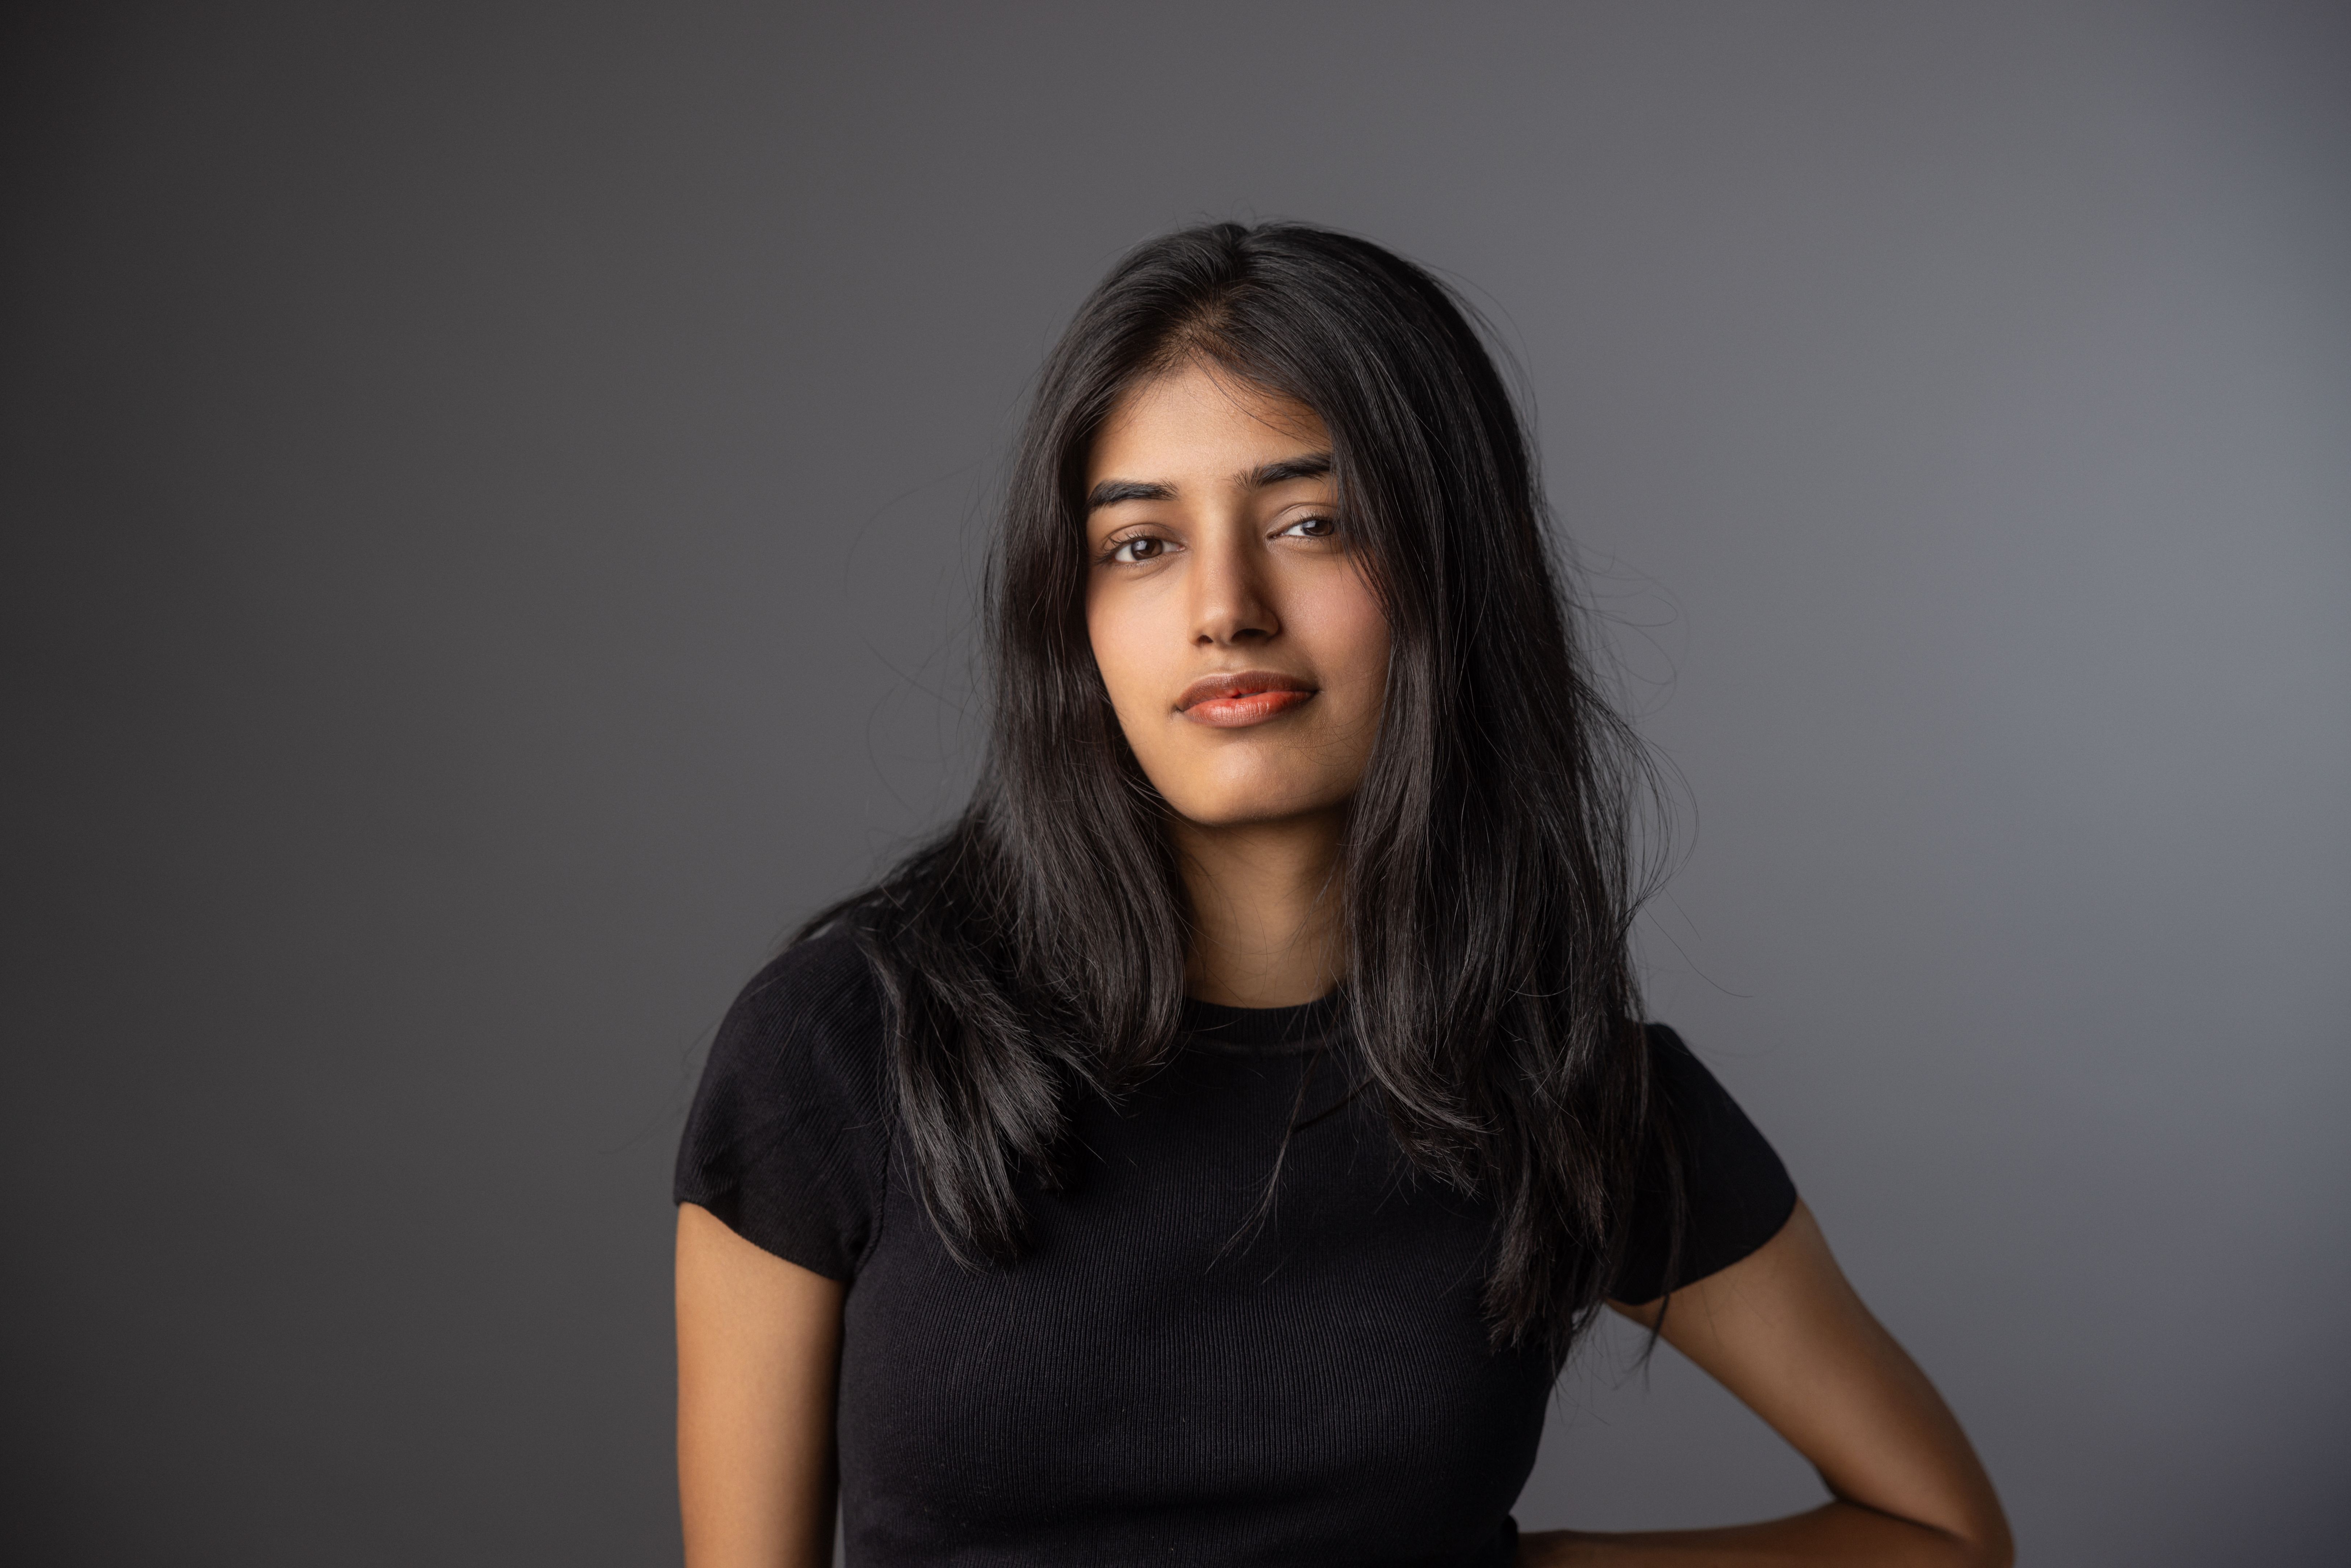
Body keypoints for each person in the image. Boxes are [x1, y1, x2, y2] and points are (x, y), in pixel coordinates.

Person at [672, 222, 2011, 1567]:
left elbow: (1942, 1537)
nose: (1224, 608)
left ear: (1449, 566)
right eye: (1140, 545)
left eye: (1312, 524)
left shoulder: (1566, 1092)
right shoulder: (842, 1049)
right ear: (1067, 613)